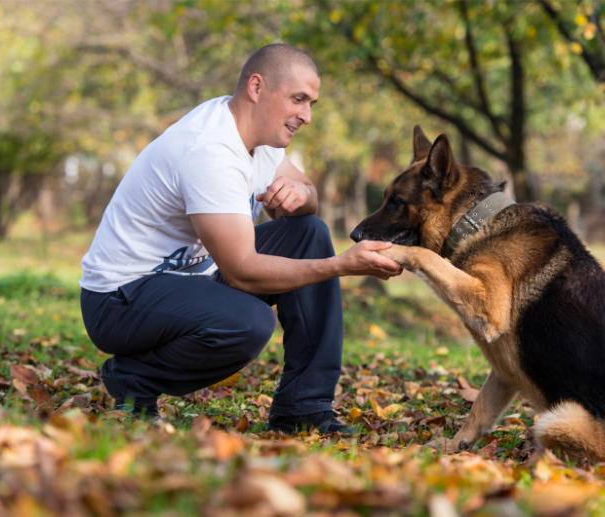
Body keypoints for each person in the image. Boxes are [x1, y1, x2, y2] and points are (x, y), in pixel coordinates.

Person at [79, 44, 402, 433]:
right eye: (298, 99)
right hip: (119, 300)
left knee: (309, 231)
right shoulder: (209, 150)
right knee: (245, 323)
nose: (307, 116)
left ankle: (303, 407)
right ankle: (133, 380)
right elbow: (243, 272)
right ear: (256, 87)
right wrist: (342, 265)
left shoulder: (256, 135)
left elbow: (309, 196)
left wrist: (302, 197)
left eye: (311, 103)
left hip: (190, 283)